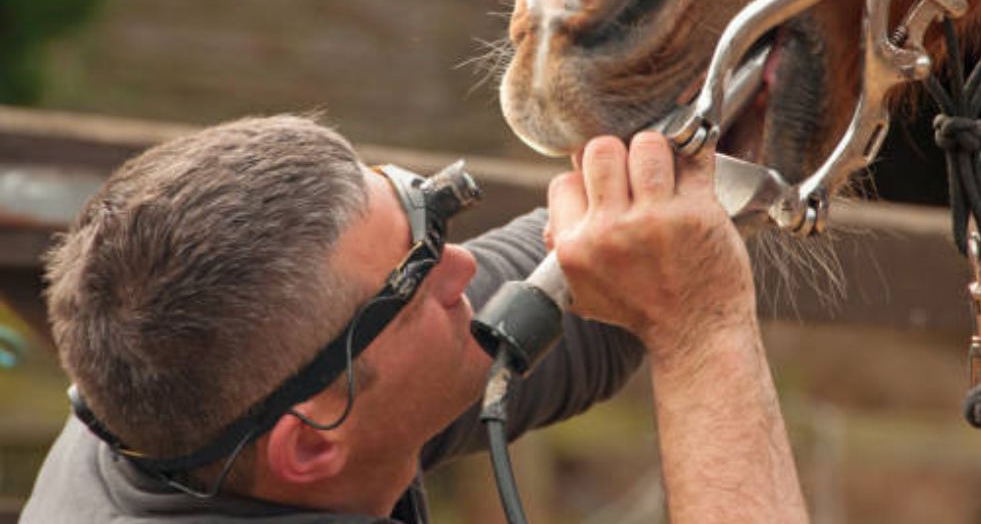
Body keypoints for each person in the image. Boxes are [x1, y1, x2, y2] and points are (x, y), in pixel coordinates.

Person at [21, 114, 806, 523]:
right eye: (414, 278)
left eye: (427, 216)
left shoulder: (177, 409)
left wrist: (715, 135)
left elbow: (603, 292)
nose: (463, 266)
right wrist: (706, 332)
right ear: (311, 439)